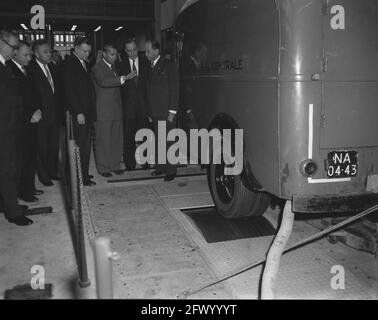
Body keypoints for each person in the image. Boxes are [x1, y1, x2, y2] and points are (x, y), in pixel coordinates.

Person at [0, 30, 33, 225]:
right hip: (4, 129)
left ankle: (8, 204)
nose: (14, 52)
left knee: (9, 168)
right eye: (12, 47)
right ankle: (13, 213)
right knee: (8, 170)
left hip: (11, 127)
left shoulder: (5, 66)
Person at [91, 44, 136, 177]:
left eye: (115, 54)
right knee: (103, 141)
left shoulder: (114, 67)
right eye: (111, 54)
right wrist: (124, 78)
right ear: (104, 54)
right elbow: (104, 81)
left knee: (116, 140)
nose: (114, 57)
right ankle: (104, 168)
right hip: (103, 111)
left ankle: (115, 165)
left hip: (116, 110)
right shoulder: (97, 68)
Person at [7, 41, 42, 204]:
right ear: (15, 54)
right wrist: (30, 113)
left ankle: (29, 187)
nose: (30, 58)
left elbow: (35, 94)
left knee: (30, 157)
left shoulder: (27, 70)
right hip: (21, 123)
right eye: (26, 55)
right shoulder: (10, 70)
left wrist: (38, 109)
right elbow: (16, 100)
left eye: (30, 54)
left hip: (33, 120)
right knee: (22, 160)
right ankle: (23, 192)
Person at [144, 39, 179, 182]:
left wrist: (173, 111)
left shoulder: (169, 65)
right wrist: (150, 113)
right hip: (155, 111)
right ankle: (160, 168)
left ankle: (171, 171)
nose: (146, 54)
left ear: (157, 51)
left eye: (148, 51)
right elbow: (148, 91)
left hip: (167, 111)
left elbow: (175, 89)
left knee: (169, 141)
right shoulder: (149, 66)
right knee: (159, 140)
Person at [63, 37, 96, 186]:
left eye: (89, 51)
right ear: (76, 48)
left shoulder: (83, 63)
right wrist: (79, 112)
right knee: (80, 146)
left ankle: (83, 174)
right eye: (84, 51)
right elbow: (70, 92)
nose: (87, 54)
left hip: (86, 111)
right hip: (80, 113)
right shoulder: (70, 64)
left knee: (85, 146)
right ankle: (79, 177)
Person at [29, 39, 61, 186]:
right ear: (36, 54)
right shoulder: (31, 69)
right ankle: (43, 176)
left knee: (54, 146)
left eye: (49, 51)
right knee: (41, 147)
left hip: (54, 114)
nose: (49, 54)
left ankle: (52, 172)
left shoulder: (53, 67)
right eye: (45, 52)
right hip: (41, 115)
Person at [118, 38, 150, 171]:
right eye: (129, 51)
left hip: (143, 107)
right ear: (126, 51)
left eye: (134, 50)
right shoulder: (120, 65)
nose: (132, 53)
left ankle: (145, 161)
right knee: (129, 136)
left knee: (145, 135)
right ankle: (129, 163)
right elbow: (118, 89)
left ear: (138, 48)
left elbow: (149, 86)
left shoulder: (146, 62)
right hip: (128, 108)